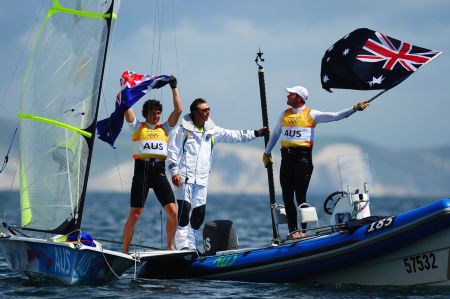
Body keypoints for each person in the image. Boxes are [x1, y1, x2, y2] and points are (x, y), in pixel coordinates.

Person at [263, 85, 369, 239]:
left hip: (303, 159)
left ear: (299, 98)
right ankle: (293, 231)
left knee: (300, 196)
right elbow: (275, 134)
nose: (287, 97)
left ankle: (303, 231)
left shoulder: (312, 114)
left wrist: (354, 108)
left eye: (290, 94)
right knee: (287, 196)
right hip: (286, 158)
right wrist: (266, 153)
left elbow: (335, 116)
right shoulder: (284, 114)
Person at [167, 98, 267, 250]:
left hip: (201, 180)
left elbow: (234, 135)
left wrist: (256, 133)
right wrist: (174, 172)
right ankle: (183, 247)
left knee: (198, 216)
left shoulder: (213, 131)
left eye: (208, 109)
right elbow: (172, 153)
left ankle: (192, 248)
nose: (207, 112)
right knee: (184, 213)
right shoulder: (181, 130)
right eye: (203, 110)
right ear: (195, 113)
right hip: (184, 179)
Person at [122, 75, 182, 253]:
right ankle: (124, 251)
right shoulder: (137, 127)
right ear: (146, 114)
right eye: (152, 113)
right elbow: (126, 106)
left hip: (159, 173)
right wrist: (126, 88)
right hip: (141, 172)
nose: (155, 116)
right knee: (136, 214)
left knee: (173, 212)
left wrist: (173, 87)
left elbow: (178, 110)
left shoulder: (165, 128)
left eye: (157, 113)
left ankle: (170, 247)